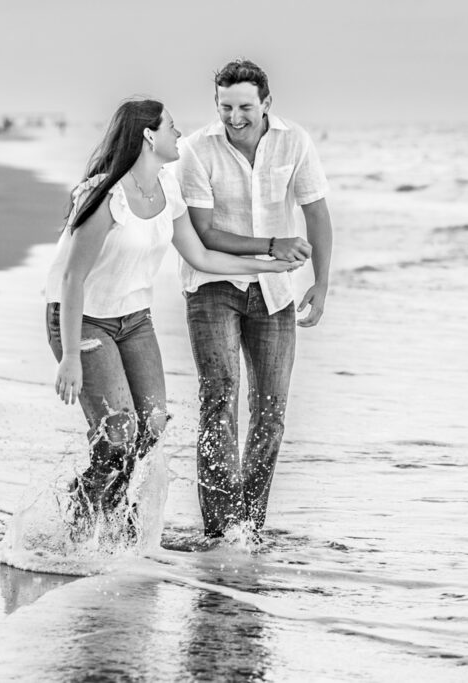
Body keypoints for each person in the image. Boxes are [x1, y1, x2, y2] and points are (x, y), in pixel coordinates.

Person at [43, 98, 301, 541]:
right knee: (119, 433)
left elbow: (200, 255)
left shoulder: (167, 188)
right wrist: (69, 356)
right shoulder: (105, 196)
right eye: (170, 127)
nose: (178, 134)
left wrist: (267, 264)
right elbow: (71, 278)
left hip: (134, 322)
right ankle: (87, 512)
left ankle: (115, 516)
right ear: (148, 136)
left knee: (153, 425)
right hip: (82, 319)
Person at [177, 59, 334, 539]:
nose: (235, 117)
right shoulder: (195, 150)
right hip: (213, 288)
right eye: (225, 106)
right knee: (219, 398)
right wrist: (271, 246)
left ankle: (249, 526)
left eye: (245, 106)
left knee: (271, 411)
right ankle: (219, 529)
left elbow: (317, 214)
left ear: (267, 103)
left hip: (276, 294)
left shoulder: (295, 141)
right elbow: (205, 233)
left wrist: (322, 283)